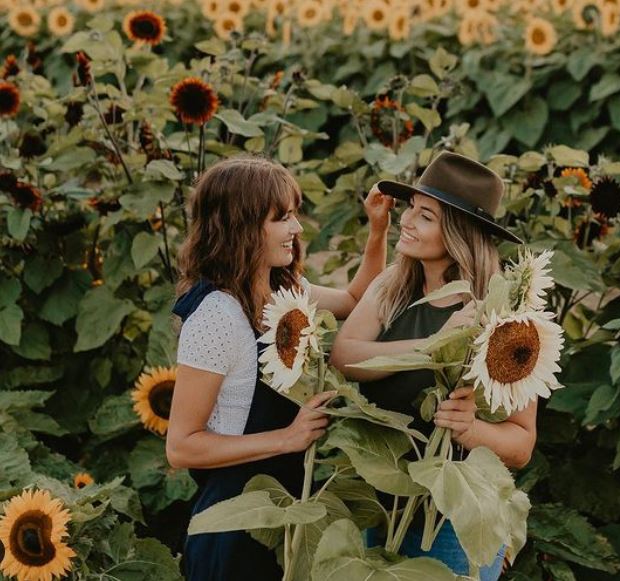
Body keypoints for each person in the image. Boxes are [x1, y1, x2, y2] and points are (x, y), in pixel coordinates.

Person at [164, 155, 393, 580]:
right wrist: (287, 438)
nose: (297, 228)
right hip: (235, 523)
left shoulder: (282, 290)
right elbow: (181, 446)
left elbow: (356, 300)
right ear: (242, 224)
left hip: (284, 511)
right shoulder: (217, 315)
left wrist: (378, 230)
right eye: (282, 217)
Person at [330, 151, 537, 580]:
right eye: (411, 208)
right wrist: (433, 346)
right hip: (382, 500)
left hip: (457, 520)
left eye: (425, 216)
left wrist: (471, 428)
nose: (406, 221)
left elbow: (521, 444)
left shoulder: (502, 317)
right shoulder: (394, 287)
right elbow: (344, 356)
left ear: (459, 233)